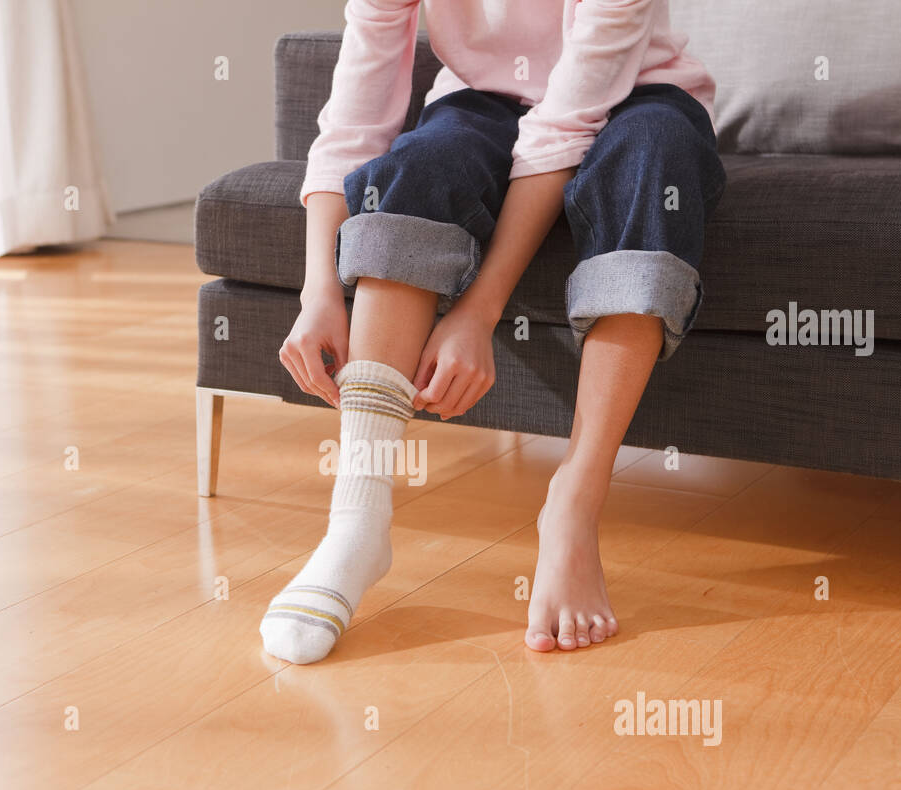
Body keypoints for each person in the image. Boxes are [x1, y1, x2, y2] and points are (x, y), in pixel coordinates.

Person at [261, 0, 725, 663]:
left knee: (652, 159)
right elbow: (353, 126)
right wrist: (319, 292)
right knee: (420, 165)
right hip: (481, 101)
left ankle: (573, 502)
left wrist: (477, 313)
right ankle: (356, 521)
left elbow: (564, 124)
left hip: (640, 97)